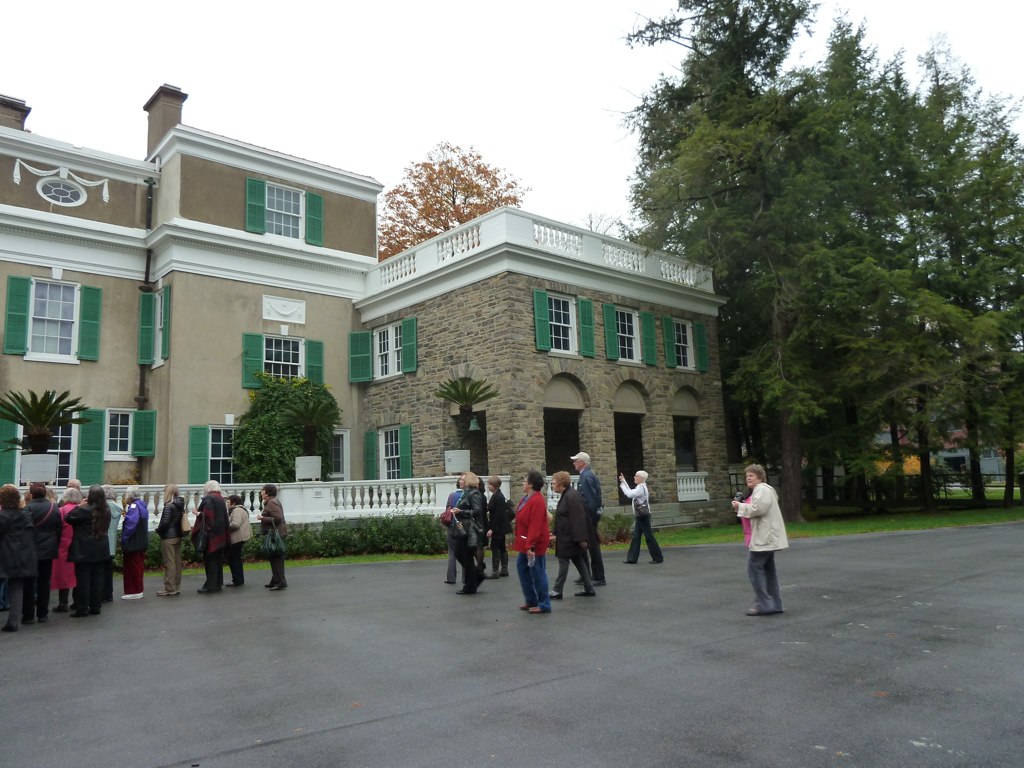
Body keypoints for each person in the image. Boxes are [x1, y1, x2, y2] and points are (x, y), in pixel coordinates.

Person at [732, 463, 788, 616]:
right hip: (766, 536)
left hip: (764, 537)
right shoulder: (762, 490)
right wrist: (743, 506)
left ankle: (764, 604)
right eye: (746, 476)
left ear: (760, 477)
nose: (748, 478)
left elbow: (758, 509)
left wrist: (740, 506)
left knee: (754, 568)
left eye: (751, 475)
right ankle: (775, 604)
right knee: (769, 570)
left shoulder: (762, 489)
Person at [64, 485, 111, 618]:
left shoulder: (84, 510)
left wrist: (79, 505)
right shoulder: (106, 510)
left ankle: (83, 607)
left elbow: (68, 517)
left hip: (83, 549)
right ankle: (96, 606)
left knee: (83, 580)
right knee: (97, 579)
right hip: (100, 548)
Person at [549, 471, 595, 599]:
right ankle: (589, 587)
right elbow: (563, 517)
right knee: (578, 560)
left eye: (553, 483)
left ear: (561, 483)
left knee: (564, 562)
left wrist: (581, 538)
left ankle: (557, 590)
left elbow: (578, 518)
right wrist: (555, 532)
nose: (552, 486)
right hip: (568, 536)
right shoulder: (568, 495)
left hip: (569, 538)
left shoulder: (571, 496)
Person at [22, 482, 62, 624]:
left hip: (31, 550)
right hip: (48, 549)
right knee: (44, 582)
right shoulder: (54, 508)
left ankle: (28, 615)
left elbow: (24, 530)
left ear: (31, 495)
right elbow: (59, 529)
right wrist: (54, 545)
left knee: (29, 583)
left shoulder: (27, 509)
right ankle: (43, 613)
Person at [514, 470, 552, 614]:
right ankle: (531, 600)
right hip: (524, 541)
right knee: (522, 568)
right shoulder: (526, 498)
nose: (522, 483)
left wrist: (531, 545)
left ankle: (544, 604)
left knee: (538, 572)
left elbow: (535, 525)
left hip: (534, 543)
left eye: (524, 480)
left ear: (530, 484)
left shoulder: (537, 499)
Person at [0, 483, 37, 632]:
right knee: (16, 588)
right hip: (22, 555)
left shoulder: (2, 516)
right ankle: (13, 622)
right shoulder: (25, 514)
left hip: (4, 554)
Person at [571, 451, 606, 586]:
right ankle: (585, 574)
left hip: (588, 518)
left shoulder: (587, 476)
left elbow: (591, 501)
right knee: (583, 547)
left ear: (582, 463)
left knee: (593, 547)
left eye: (576, 460)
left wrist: (590, 519)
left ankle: (598, 577)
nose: (574, 463)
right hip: (586, 517)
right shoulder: (585, 475)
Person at [621, 470, 664, 565]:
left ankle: (658, 557)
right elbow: (631, 492)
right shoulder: (640, 487)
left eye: (636, 476)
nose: (634, 477)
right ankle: (632, 558)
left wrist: (623, 485)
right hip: (640, 516)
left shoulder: (641, 488)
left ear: (641, 478)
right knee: (636, 537)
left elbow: (629, 494)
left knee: (649, 537)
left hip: (643, 517)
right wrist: (624, 481)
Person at [195, 480, 230, 593]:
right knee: (217, 561)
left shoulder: (209, 499)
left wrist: (198, 514)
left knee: (210, 561)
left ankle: (211, 585)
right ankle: (217, 583)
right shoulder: (221, 499)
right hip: (221, 534)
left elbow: (208, 517)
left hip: (211, 535)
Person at [453, 471, 485, 595]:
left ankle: (471, 584)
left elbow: (477, 511)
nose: (460, 481)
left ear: (468, 481)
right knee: (461, 554)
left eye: (462, 479)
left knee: (464, 555)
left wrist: (461, 512)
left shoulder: (474, 494)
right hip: (464, 528)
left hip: (470, 530)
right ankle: (475, 577)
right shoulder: (465, 494)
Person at [51, 486, 82, 613]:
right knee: (79, 574)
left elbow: (57, 529)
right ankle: (76, 601)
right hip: (79, 544)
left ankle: (63, 603)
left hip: (64, 544)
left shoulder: (62, 510)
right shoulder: (81, 510)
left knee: (64, 575)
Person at [257, 484, 288, 590]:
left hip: (275, 535)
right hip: (276, 534)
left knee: (276, 559)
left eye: (263, 490)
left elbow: (278, 518)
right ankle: (275, 580)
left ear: (268, 492)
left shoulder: (271, 502)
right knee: (274, 558)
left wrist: (262, 518)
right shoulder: (272, 501)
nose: (261, 492)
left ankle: (280, 582)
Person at [155, 485, 185, 596]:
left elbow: (165, 522)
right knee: (176, 562)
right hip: (177, 535)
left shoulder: (169, 506)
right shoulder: (180, 504)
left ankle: (169, 587)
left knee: (169, 562)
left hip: (168, 536)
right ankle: (176, 586)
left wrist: (158, 530)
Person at [120, 487, 149, 599]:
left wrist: (124, 538)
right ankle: (138, 589)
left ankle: (134, 590)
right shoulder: (141, 505)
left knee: (132, 566)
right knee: (138, 565)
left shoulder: (134, 507)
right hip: (140, 542)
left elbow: (130, 524)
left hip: (133, 542)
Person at [485, 476, 511, 578]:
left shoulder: (498, 497)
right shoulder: (497, 495)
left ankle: (495, 571)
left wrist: (492, 529)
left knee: (495, 546)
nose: (488, 486)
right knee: (501, 546)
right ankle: (504, 569)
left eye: (490, 484)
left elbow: (498, 515)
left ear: (494, 486)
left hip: (499, 527)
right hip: (500, 527)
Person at [225, 493, 252, 587]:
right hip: (239, 538)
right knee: (236, 558)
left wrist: (225, 527)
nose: (227, 504)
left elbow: (235, 524)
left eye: (228, 502)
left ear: (233, 503)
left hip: (237, 538)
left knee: (234, 559)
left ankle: (237, 580)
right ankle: (238, 579)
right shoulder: (240, 509)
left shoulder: (237, 510)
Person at [102, 485, 123, 602]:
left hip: (103, 540)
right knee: (108, 570)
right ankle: (108, 593)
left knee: (101, 569)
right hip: (112, 540)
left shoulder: (103, 507)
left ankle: (102, 592)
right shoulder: (117, 507)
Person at [442, 475, 464, 585]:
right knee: (465, 552)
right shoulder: (466, 496)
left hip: (452, 526)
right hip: (463, 526)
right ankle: (466, 577)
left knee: (452, 552)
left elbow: (447, 509)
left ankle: (451, 577)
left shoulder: (451, 496)